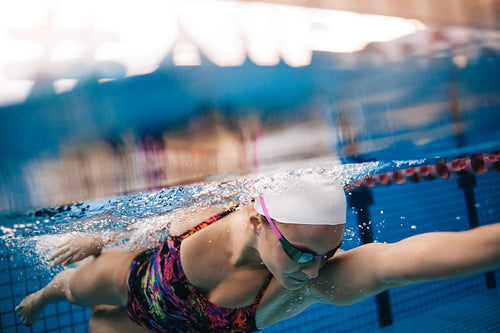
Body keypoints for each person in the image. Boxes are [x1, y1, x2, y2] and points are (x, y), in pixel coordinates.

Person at [15, 177, 500, 333]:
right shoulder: (212, 207)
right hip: (136, 277)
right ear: (256, 223)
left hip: (172, 329)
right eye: (300, 252)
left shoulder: (316, 280)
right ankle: (46, 295)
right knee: (75, 289)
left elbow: (401, 262)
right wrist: (98, 239)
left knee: (103, 327)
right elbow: (142, 220)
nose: (314, 267)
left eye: (327, 252)